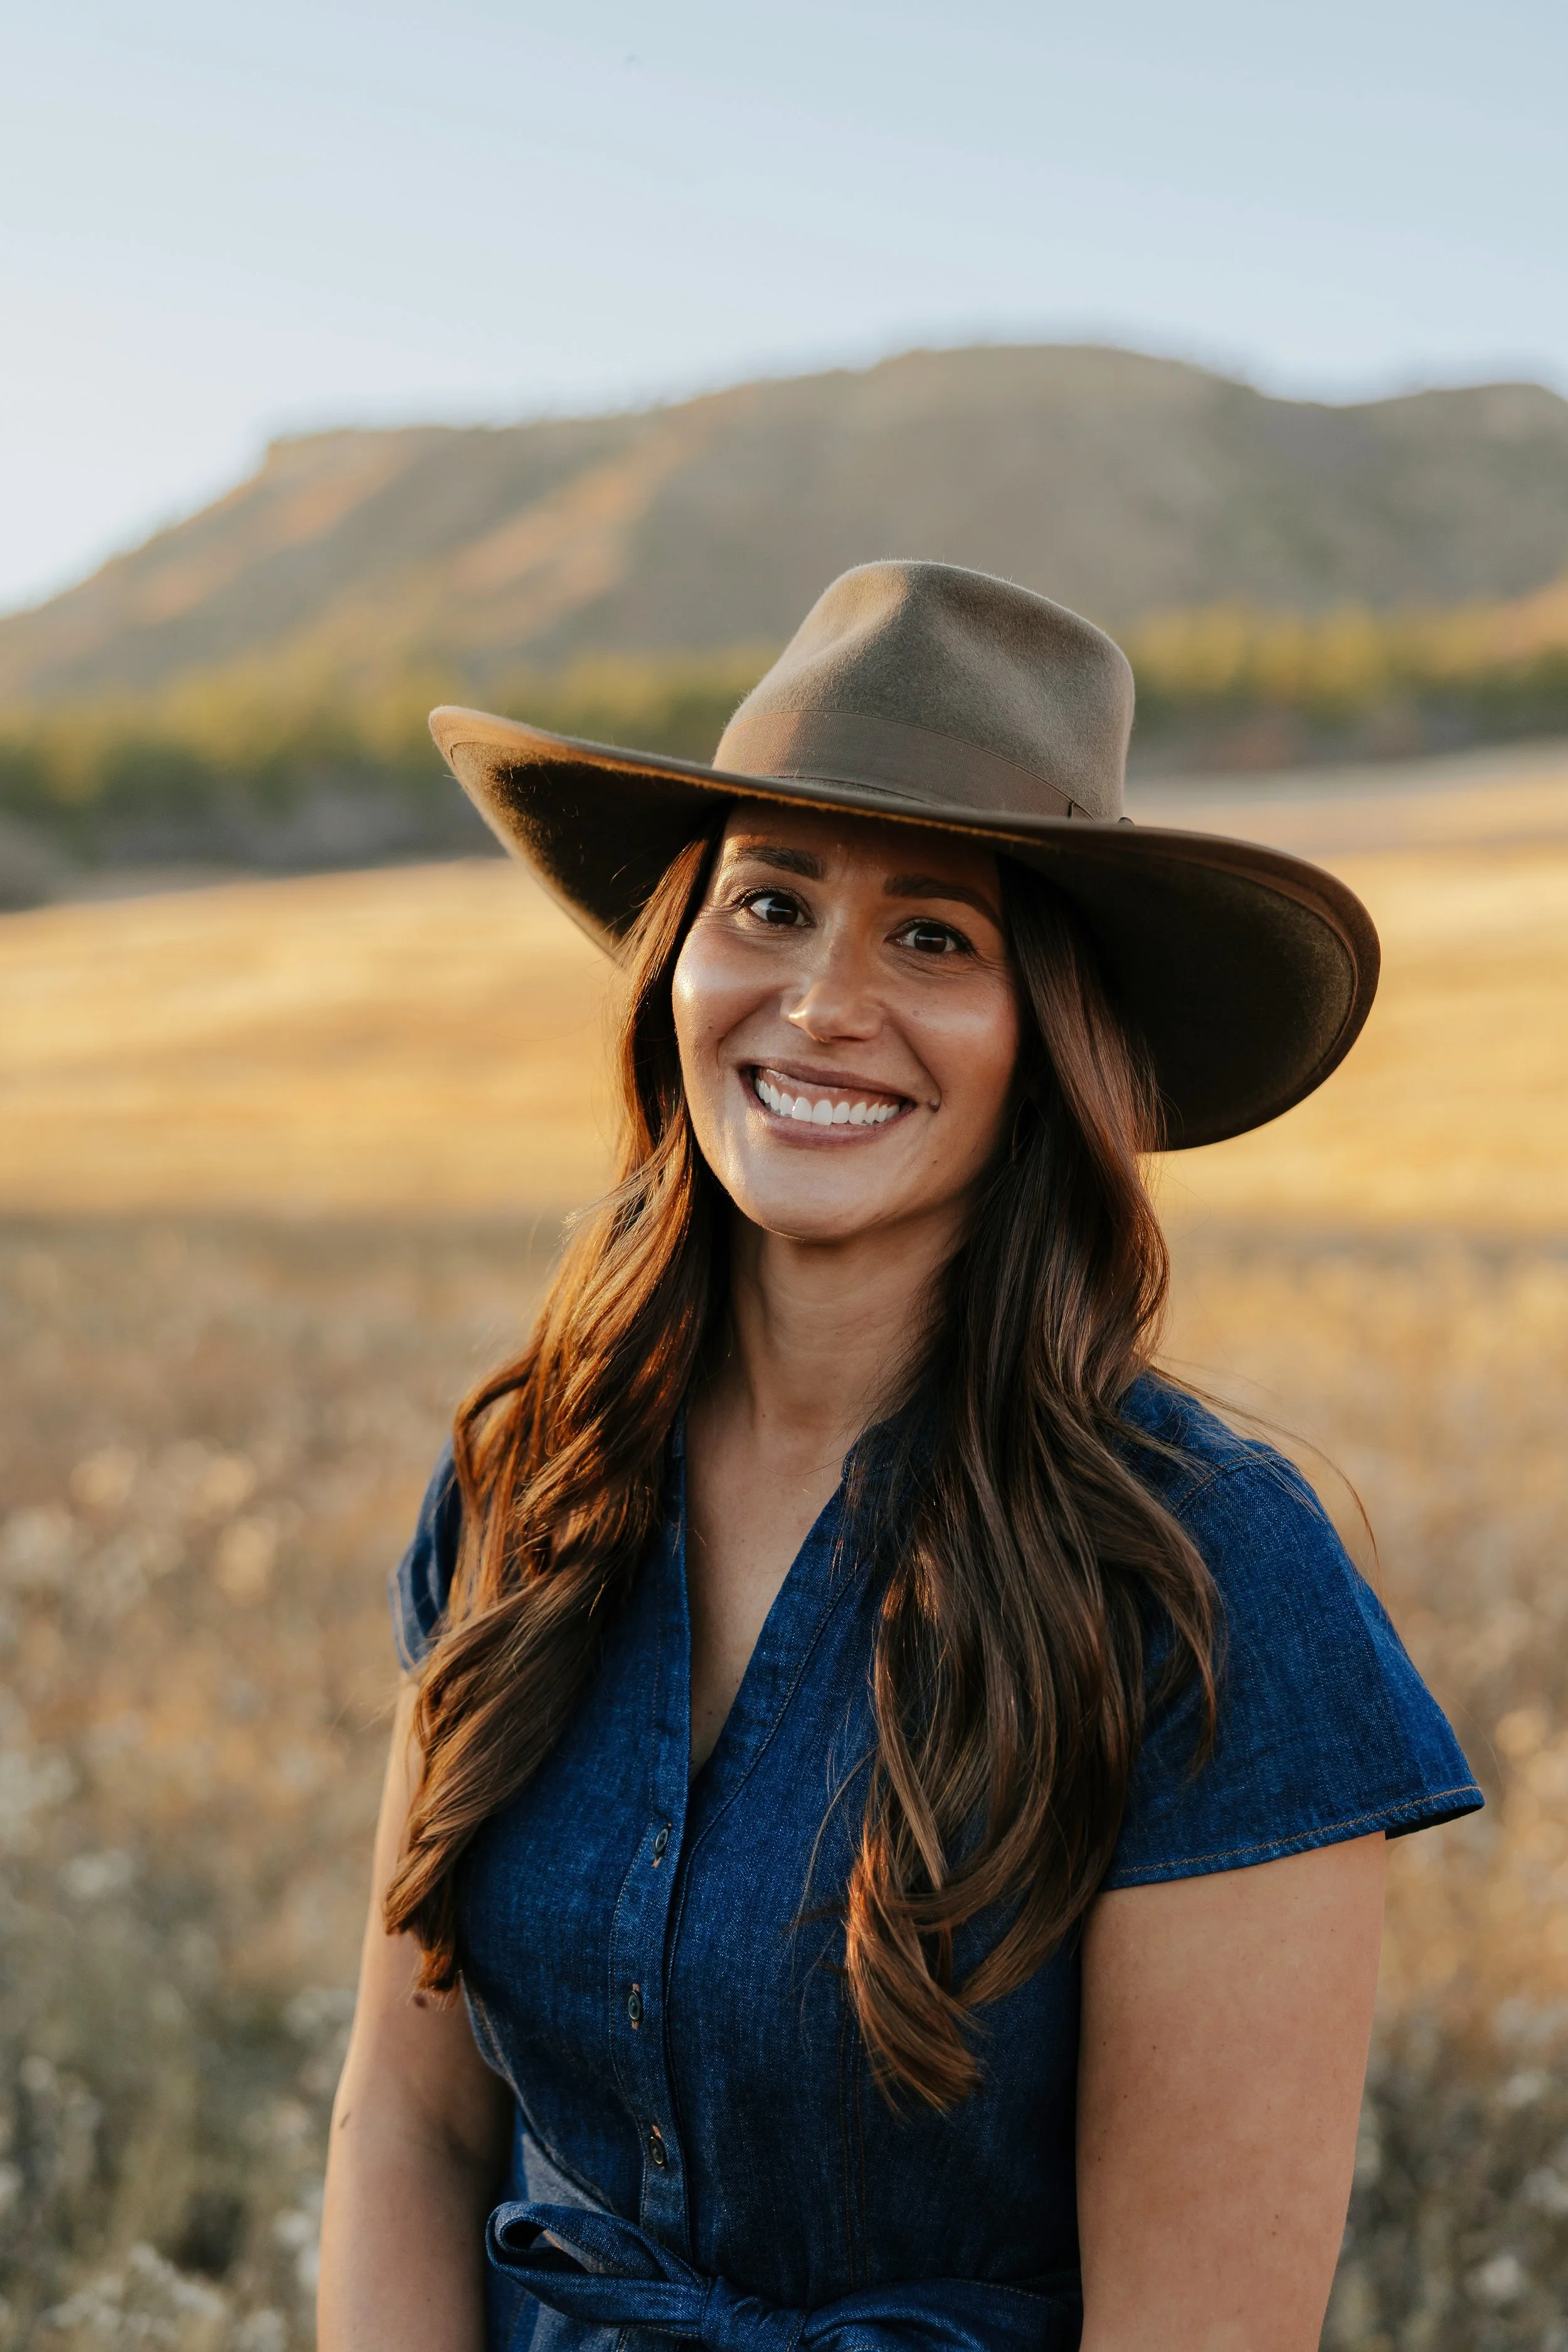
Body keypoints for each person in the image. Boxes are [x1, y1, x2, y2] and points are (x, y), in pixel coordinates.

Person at [318, 561, 1480, 2352]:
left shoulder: (1207, 1574)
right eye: (767, 904)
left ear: (1052, 1041)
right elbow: (406, 2127)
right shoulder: (524, 1482)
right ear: (676, 963)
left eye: (932, 937)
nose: (820, 1002)